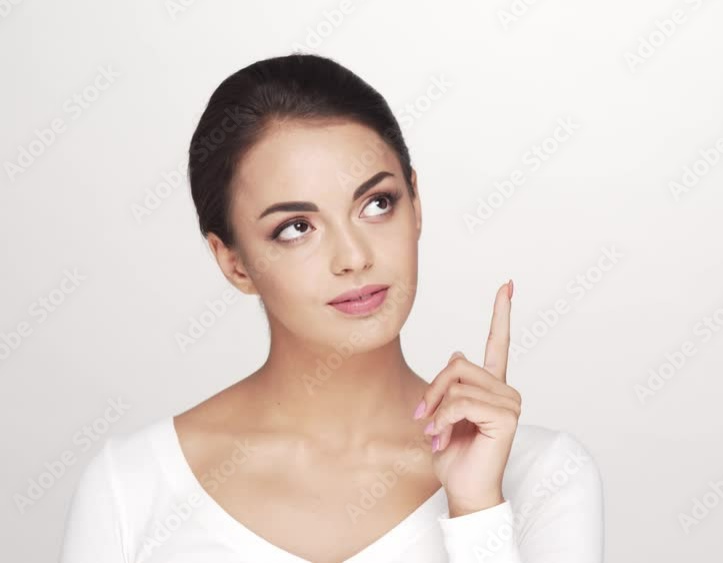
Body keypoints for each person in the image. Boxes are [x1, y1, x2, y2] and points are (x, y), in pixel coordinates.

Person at [59, 53, 603, 563]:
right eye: (296, 228)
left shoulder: (542, 475)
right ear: (233, 262)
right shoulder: (133, 485)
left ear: (415, 204)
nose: (353, 257)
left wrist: (477, 510)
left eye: (376, 204)